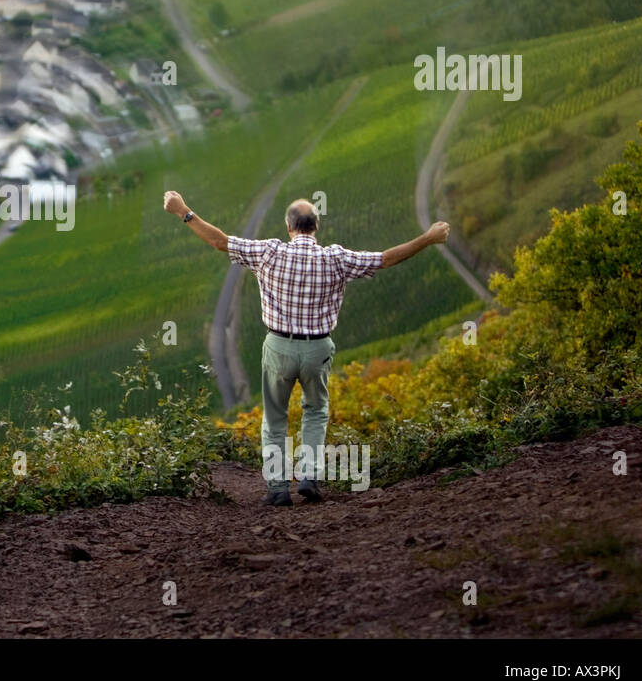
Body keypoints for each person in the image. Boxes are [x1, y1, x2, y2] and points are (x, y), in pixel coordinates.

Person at [162, 190, 450, 505]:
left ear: (288, 227)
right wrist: (428, 237)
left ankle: (278, 488)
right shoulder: (337, 258)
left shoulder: (269, 253)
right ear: (316, 227)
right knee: (315, 413)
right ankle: (310, 477)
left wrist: (184, 212)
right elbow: (385, 259)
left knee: (274, 418)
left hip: (278, 346)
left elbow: (219, 241)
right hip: (318, 349)